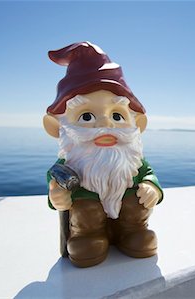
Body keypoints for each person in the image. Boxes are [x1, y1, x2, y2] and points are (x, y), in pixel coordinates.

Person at [42, 42, 163, 268]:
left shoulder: (133, 161)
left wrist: (152, 187)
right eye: (86, 116)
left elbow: (148, 174)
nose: (106, 124)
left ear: (138, 124)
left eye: (117, 116)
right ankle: (86, 238)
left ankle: (133, 233)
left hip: (131, 221)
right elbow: (55, 183)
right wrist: (56, 196)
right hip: (86, 222)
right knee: (86, 210)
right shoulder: (69, 163)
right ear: (56, 128)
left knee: (136, 202)